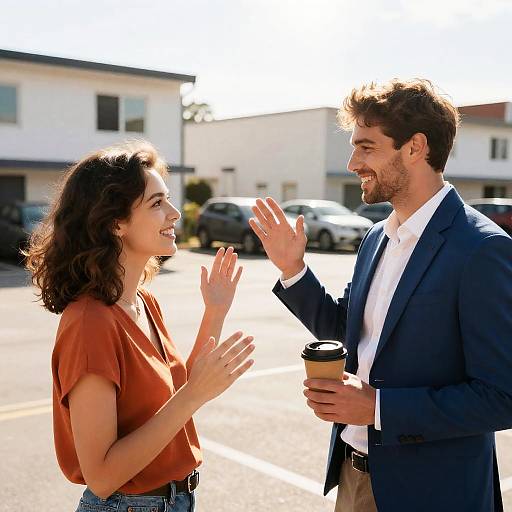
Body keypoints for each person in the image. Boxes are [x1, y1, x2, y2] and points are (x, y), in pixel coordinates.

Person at [249, 79, 512, 512]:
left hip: (434, 494)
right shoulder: (376, 238)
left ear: (415, 147)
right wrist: (293, 270)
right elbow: (350, 332)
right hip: (354, 477)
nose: (353, 162)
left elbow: (502, 396)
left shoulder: (482, 249)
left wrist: (378, 408)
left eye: (366, 147)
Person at [26, 141, 255, 512]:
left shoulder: (144, 302)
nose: (175, 213)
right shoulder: (89, 323)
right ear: (115, 222)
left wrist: (214, 311)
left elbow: (176, 393)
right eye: (157, 203)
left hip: (175, 500)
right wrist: (194, 395)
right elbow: (101, 476)